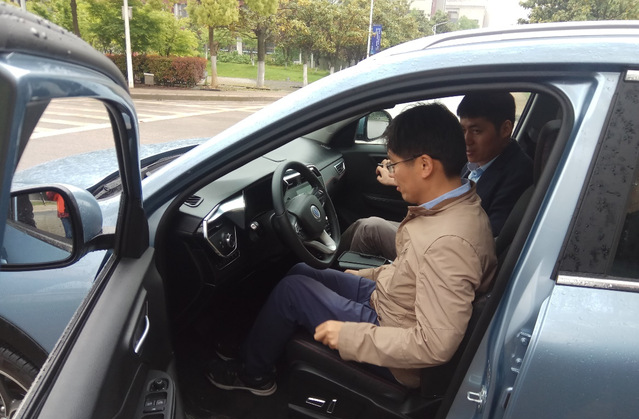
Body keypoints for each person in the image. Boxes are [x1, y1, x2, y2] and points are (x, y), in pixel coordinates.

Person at [206, 103, 498, 395]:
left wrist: (348, 335)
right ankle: (255, 344)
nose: (392, 174)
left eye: (394, 164)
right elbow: (413, 270)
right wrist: (367, 276)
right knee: (301, 270)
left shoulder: (449, 243)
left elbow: (434, 345)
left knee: (292, 292)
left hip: (396, 339)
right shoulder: (451, 209)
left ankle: (253, 375)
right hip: (393, 303)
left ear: (425, 165)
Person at [341, 91, 533, 260]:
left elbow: (487, 239)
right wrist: (398, 178)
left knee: (368, 229)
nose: (467, 140)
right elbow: (446, 189)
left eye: (476, 131)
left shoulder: (518, 174)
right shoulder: (480, 162)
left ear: (506, 129)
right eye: (463, 130)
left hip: (445, 248)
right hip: (435, 232)